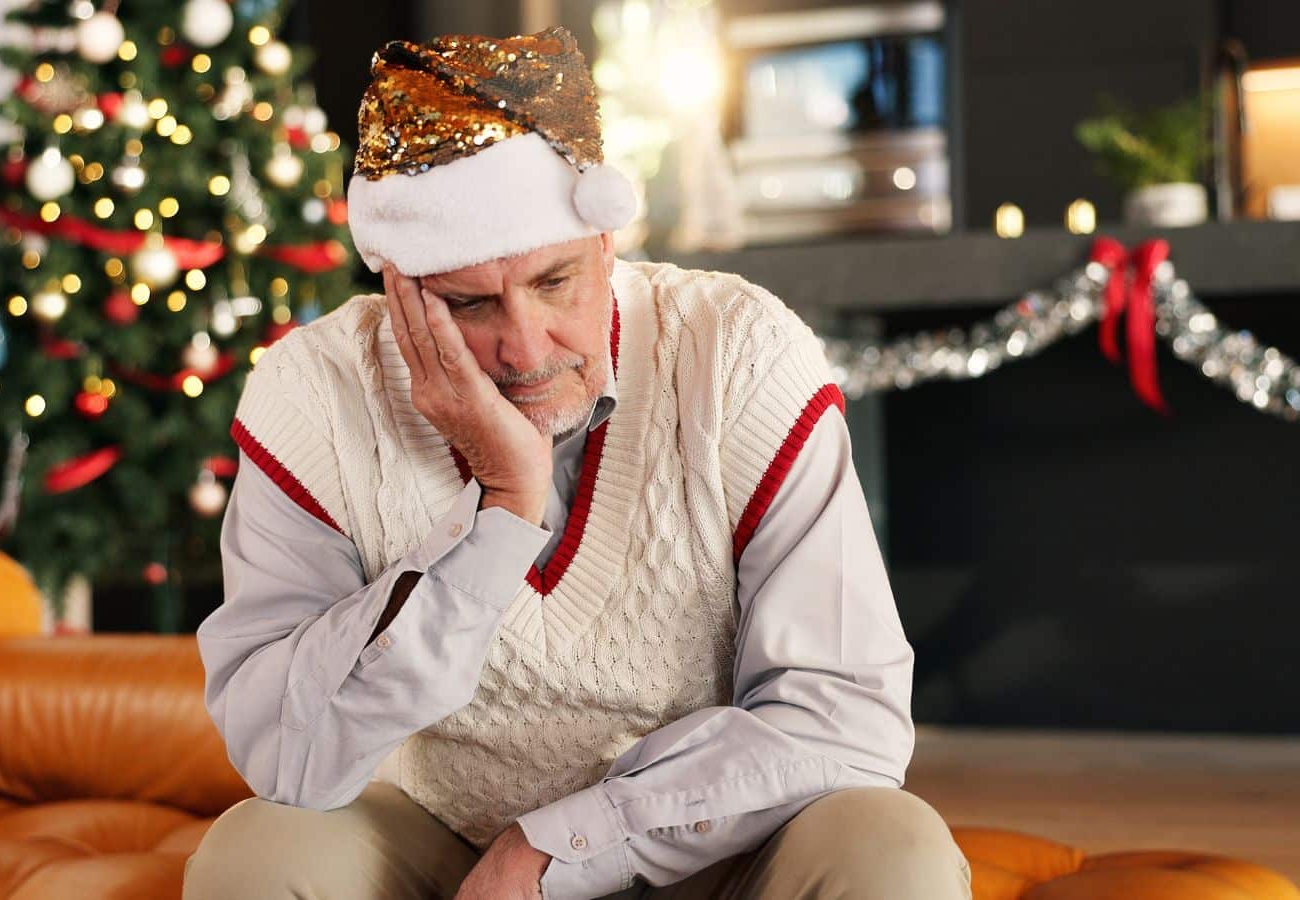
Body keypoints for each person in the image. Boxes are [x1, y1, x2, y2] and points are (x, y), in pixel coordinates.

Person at [186, 25, 971, 900]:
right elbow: (284, 755)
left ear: (607, 246)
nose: (524, 349)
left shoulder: (738, 352)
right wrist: (503, 511)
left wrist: (554, 848)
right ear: (398, 294)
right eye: (468, 304)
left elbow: (844, 717)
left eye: (555, 283)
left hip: (713, 853)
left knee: (893, 845)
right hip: (442, 847)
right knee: (256, 854)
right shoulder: (312, 394)